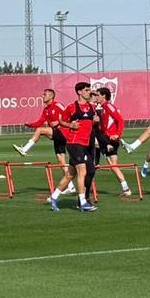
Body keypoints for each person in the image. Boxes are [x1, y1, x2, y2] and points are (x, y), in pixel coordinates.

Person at [48, 82, 97, 212]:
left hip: (85, 144)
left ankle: (54, 197)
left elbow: (91, 122)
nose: (88, 92)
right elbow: (61, 121)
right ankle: (82, 202)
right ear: (79, 92)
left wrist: (95, 121)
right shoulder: (71, 107)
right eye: (86, 90)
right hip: (75, 143)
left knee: (71, 174)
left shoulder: (91, 107)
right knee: (83, 171)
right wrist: (70, 126)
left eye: (89, 90)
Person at [13, 89, 70, 174]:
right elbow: (40, 122)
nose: (42, 96)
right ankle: (70, 186)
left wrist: (58, 122)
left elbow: (69, 115)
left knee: (40, 130)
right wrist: (30, 125)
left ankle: (24, 149)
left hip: (63, 132)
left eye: (44, 95)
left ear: (51, 96)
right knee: (61, 161)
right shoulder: (46, 110)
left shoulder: (58, 105)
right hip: (56, 135)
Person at [94, 87, 132, 196]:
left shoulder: (108, 106)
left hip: (109, 139)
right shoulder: (103, 107)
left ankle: (96, 161)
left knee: (92, 142)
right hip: (108, 138)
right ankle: (126, 188)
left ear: (103, 96)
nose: (96, 97)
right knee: (113, 165)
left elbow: (120, 120)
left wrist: (118, 134)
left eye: (98, 95)